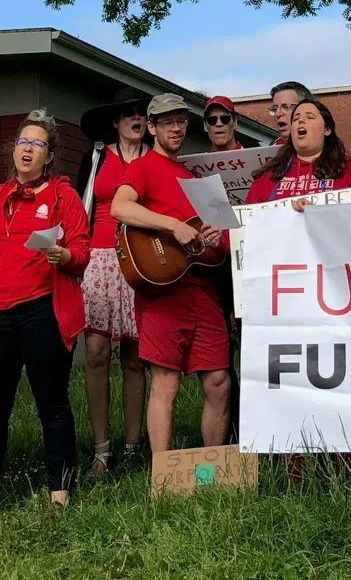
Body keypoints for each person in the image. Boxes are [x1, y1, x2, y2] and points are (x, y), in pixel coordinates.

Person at [0, 112, 91, 507]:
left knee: (51, 402)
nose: (27, 149)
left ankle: (60, 489)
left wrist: (64, 254)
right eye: (23, 142)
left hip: (42, 309)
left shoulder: (62, 196)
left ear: (49, 156)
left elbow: (83, 253)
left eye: (37, 144)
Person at [110, 94, 231, 454]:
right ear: (151, 128)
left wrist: (213, 237)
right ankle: (162, 476)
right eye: (167, 122)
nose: (176, 128)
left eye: (180, 121)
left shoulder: (196, 178)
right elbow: (119, 207)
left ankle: (214, 467)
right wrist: (173, 225)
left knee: (219, 381)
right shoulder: (144, 167)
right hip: (162, 289)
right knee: (166, 382)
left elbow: (219, 245)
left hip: (202, 288)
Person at [74, 92, 149, 473]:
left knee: (135, 357)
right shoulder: (97, 156)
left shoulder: (153, 159)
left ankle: (135, 445)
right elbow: (78, 205)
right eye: (128, 114)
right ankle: (102, 447)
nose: (135, 119)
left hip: (140, 259)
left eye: (141, 114)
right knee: (97, 353)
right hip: (99, 258)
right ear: (116, 123)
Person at [244, 97, 351, 204]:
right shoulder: (268, 175)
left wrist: (317, 214)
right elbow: (246, 222)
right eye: (296, 119)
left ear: (327, 129)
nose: (301, 120)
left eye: (310, 117)